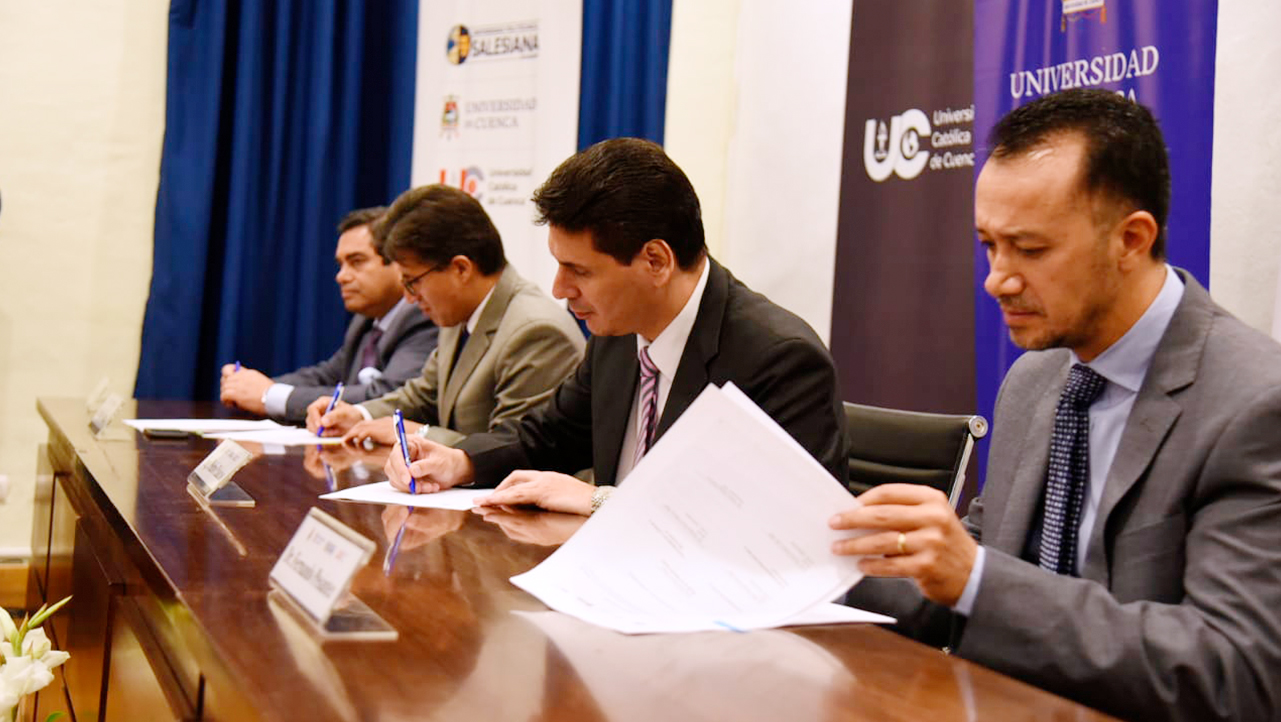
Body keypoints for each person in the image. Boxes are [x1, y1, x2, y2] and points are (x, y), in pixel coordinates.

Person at [833, 88, 1281, 721]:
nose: (997, 278)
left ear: (1131, 239)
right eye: (989, 244)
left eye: (1031, 249)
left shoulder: (1255, 404)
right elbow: (971, 575)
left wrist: (976, 577)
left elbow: (1235, 672)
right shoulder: (1037, 380)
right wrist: (816, 558)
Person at [383, 138, 847, 514]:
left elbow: (776, 524)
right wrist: (458, 461)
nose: (560, 289)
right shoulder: (619, 334)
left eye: (579, 271)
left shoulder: (777, 358)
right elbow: (545, 436)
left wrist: (601, 500)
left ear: (655, 261)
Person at [308, 184, 585, 448]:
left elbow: (515, 448)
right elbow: (423, 395)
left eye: (413, 281)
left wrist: (419, 434)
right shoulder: (459, 312)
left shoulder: (535, 331)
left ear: (460, 269)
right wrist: (359, 415)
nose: (409, 297)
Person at [220, 207, 437, 423]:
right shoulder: (367, 321)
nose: (341, 277)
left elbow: (387, 396)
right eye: (340, 264)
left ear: (399, 264)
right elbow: (329, 376)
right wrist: (251, 386)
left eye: (357, 261)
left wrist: (271, 395)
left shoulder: (425, 315)